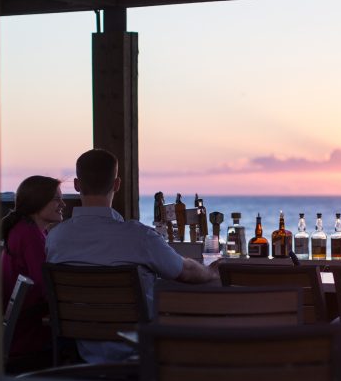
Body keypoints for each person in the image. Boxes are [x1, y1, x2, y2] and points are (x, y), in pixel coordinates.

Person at [46, 149, 218, 363]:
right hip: (139, 348)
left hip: (79, 352)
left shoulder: (55, 237)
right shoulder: (139, 236)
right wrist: (211, 271)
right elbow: (186, 272)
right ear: (117, 185)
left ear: (77, 185)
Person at [1, 175, 65, 357]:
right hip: (28, 336)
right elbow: (44, 286)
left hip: (19, 330)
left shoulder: (23, 229)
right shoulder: (30, 235)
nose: (63, 204)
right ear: (38, 201)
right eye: (57, 199)